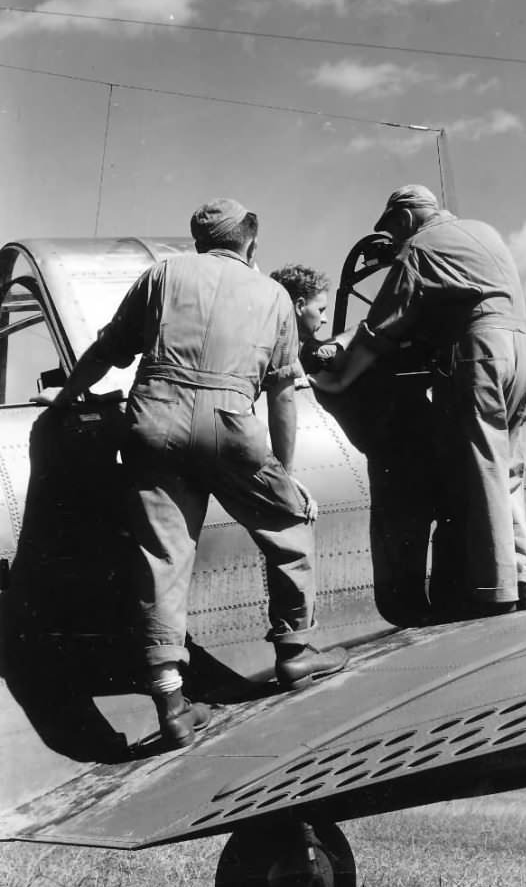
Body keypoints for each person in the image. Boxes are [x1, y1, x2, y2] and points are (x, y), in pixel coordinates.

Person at [48, 199, 348, 749]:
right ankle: (296, 650)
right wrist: (282, 472)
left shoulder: (163, 275)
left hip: (153, 419)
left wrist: (65, 398)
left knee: (163, 558)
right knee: (289, 525)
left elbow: (109, 350)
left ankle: (172, 704)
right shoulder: (274, 295)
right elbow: (283, 394)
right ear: (250, 242)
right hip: (232, 423)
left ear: (199, 241)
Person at [312, 185, 526, 619]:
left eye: (394, 231)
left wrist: (340, 380)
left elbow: (382, 325)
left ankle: (495, 591)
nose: (395, 242)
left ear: (404, 219)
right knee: (509, 471)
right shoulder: (484, 232)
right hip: (521, 352)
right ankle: (524, 579)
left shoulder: (419, 247)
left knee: (482, 470)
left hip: (479, 350)